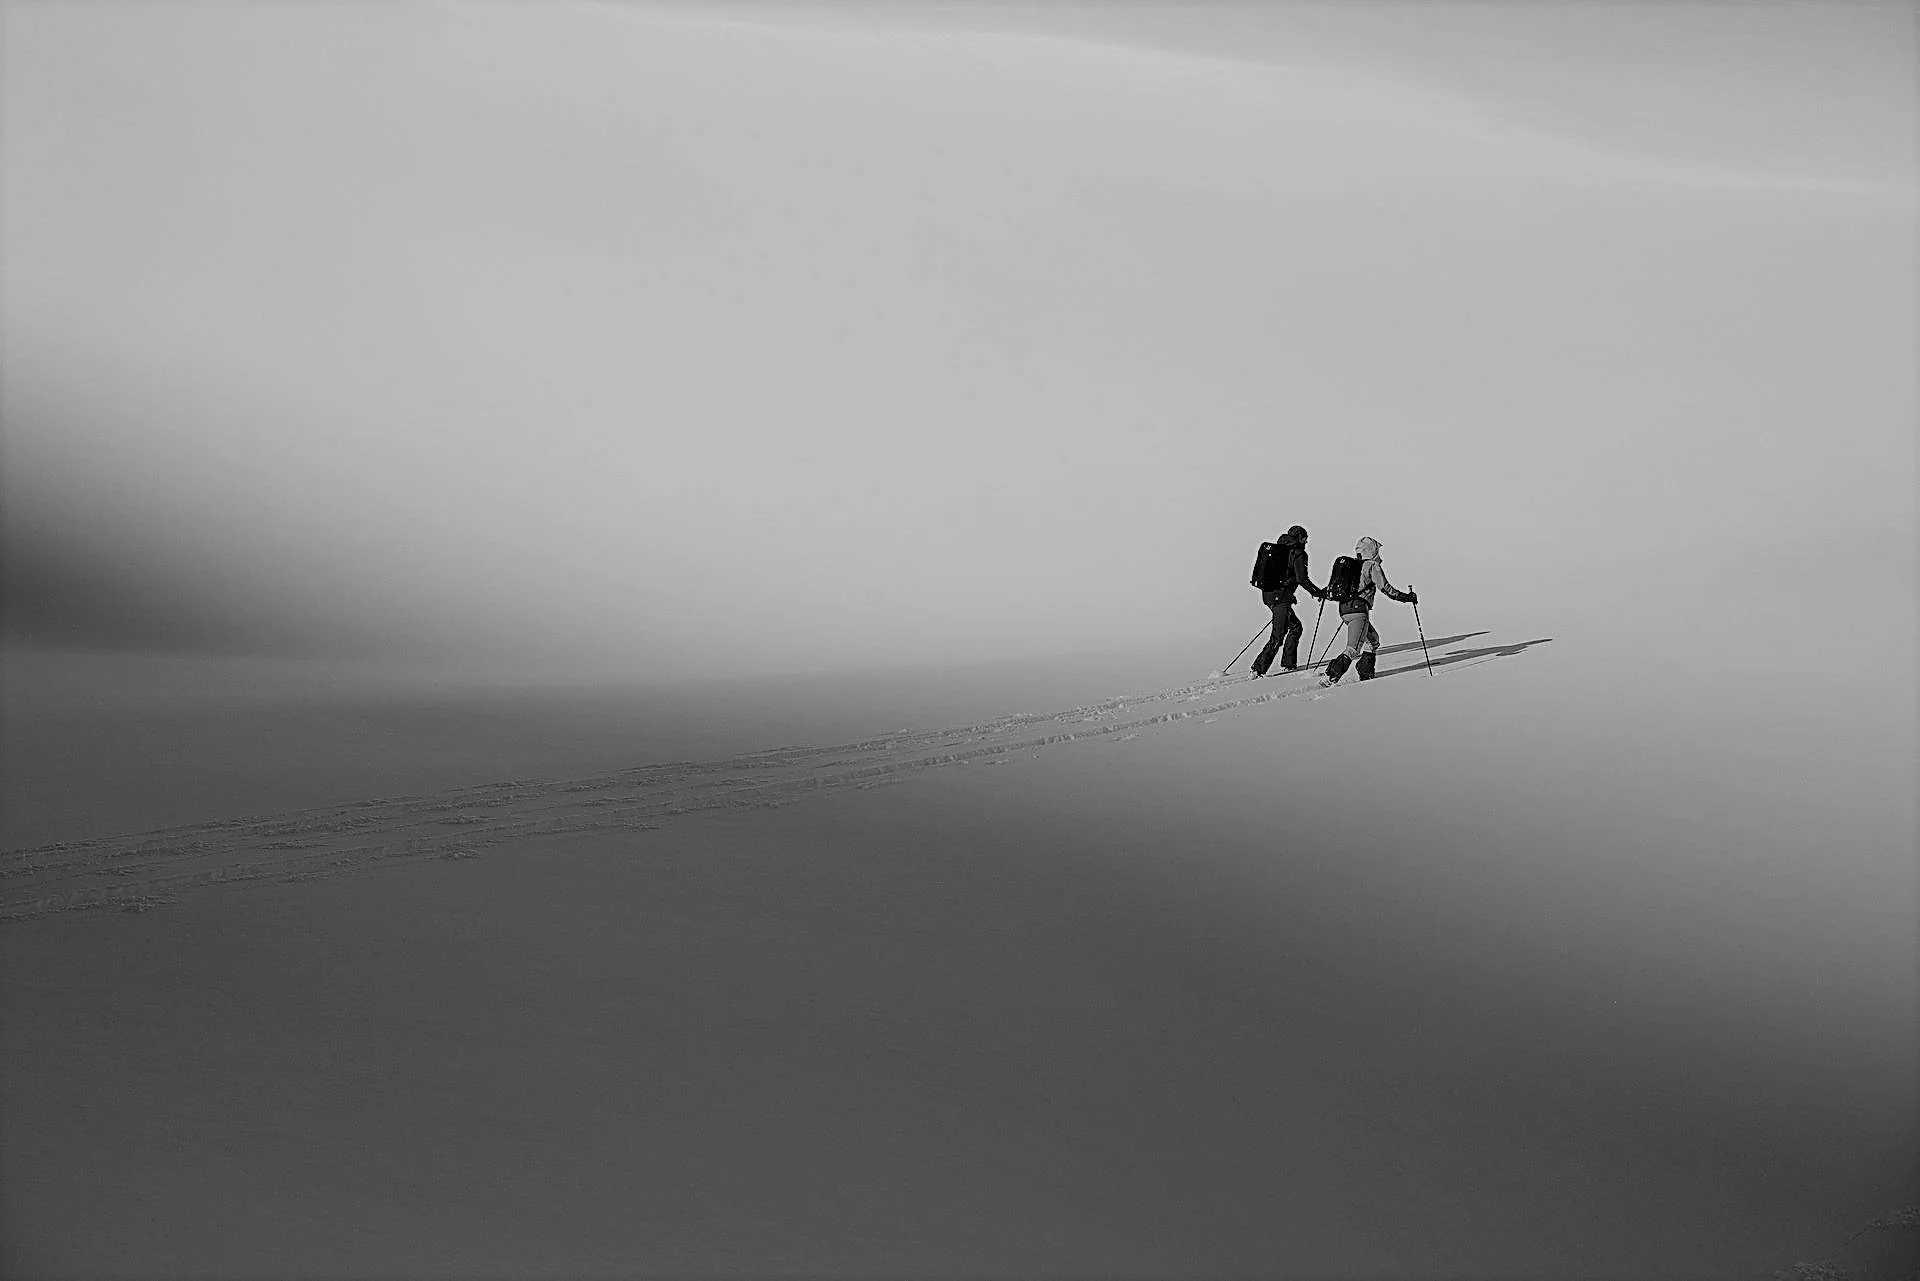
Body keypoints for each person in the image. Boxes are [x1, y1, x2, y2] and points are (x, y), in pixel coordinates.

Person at [1322, 535, 1417, 685]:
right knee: (1352, 649)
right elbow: (1386, 589)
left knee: (1373, 640)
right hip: (1358, 612)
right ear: (1372, 551)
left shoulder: (1352, 566)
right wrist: (1406, 597)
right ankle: (1329, 677)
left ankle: (1366, 674)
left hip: (1344, 609)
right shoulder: (1372, 565)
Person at [1250, 525, 1325, 677]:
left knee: (1296, 627)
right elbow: (1302, 579)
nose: (1306, 541)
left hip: (1269, 595)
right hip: (1280, 598)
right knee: (1278, 635)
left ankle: (1288, 664)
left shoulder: (1280, 549)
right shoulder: (1298, 553)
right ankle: (1258, 669)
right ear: (1299, 538)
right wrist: (1317, 592)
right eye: (1305, 538)